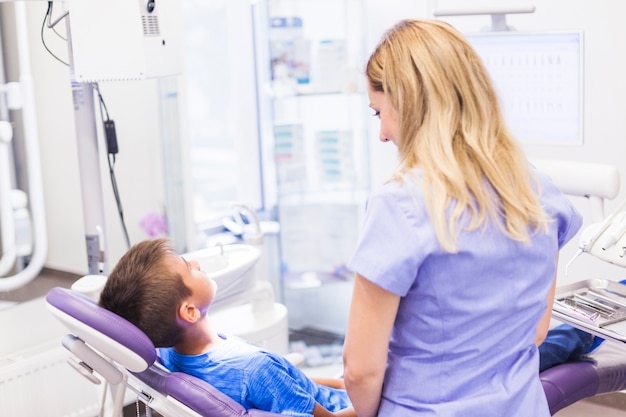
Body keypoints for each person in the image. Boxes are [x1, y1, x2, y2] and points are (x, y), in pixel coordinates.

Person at [341, 19, 583, 417]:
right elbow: (538, 331)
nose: (383, 134)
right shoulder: (539, 193)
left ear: (411, 103)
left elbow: (361, 370)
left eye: (379, 113)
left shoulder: (399, 205)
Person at [98, 238, 355, 417]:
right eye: (189, 268)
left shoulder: (170, 356)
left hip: (339, 393)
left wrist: (342, 383)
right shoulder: (255, 369)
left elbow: (292, 386)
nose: (197, 263)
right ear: (189, 311)